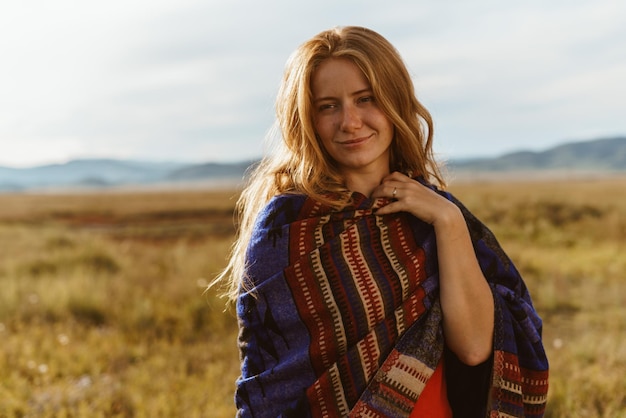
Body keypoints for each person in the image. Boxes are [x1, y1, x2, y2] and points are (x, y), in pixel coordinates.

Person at [213, 26, 549, 417]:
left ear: (394, 101)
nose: (350, 121)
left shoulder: (437, 215)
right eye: (328, 106)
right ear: (307, 119)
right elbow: (275, 379)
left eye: (365, 98)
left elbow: (474, 347)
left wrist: (448, 221)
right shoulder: (287, 229)